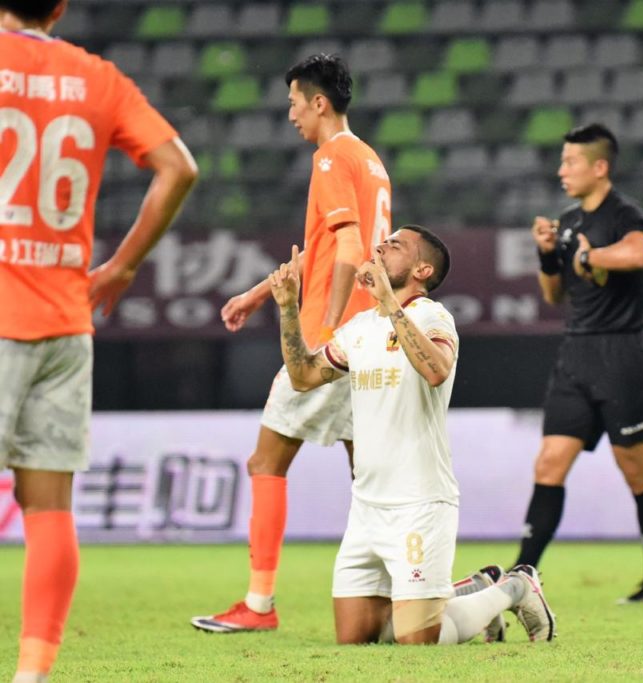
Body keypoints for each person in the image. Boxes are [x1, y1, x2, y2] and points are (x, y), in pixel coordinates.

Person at [0, 1, 199, 680]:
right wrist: (121, 266)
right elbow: (179, 167)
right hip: (66, 318)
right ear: (59, 7)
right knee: (49, 507)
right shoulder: (98, 78)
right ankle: (32, 674)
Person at [260, 227, 555, 645]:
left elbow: (436, 370)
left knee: (417, 643)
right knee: (359, 639)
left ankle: (514, 589)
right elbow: (304, 376)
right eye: (382, 243)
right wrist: (289, 308)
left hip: (420, 501)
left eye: (394, 245)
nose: (380, 247)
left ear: (422, 269)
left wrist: (390, 305)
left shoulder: (433, 316)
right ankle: (466, 592)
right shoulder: (360, 328)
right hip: (366, 504)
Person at [191, 54, 391, 634]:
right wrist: (259, 292)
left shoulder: (330, 157)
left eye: (293, 104)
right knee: (369, 474)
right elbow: (325, 253)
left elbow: (350, 252)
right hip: (372, 336)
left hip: (329, 339)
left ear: (318, 102)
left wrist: (326, 332)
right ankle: (395, 592)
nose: (291, 116)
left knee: (266, 461)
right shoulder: (370, 160)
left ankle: (258, 606)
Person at [514, 123, 643, 603]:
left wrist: (592, 254)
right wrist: (547, 257)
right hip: (575, 353)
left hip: (621, 354)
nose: (562, 170)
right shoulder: (568, 222)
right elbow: (554, 294)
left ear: (599, 167)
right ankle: (521, 577)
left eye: (571, 162)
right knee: (549, 462)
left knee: (636, 471)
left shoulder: (625, 215)